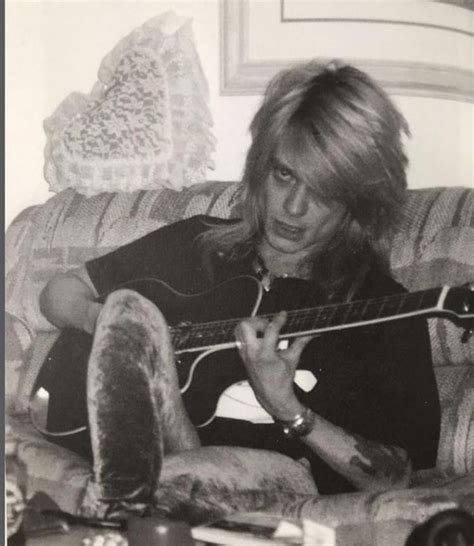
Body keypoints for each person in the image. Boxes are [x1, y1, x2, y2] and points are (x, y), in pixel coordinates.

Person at [38, 60, 440, 521]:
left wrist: (287, 407)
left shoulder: (382, 306)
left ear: (357, 201)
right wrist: (114, 327)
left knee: (176, 476)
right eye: (284, 175)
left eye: (324, 191)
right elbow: (58, 293)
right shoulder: (198, 243)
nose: (293, 207)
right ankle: (151, 417)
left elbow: (396, 478)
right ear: (259, 168)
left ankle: (160, 429)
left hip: (271, 481)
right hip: (127, 448)